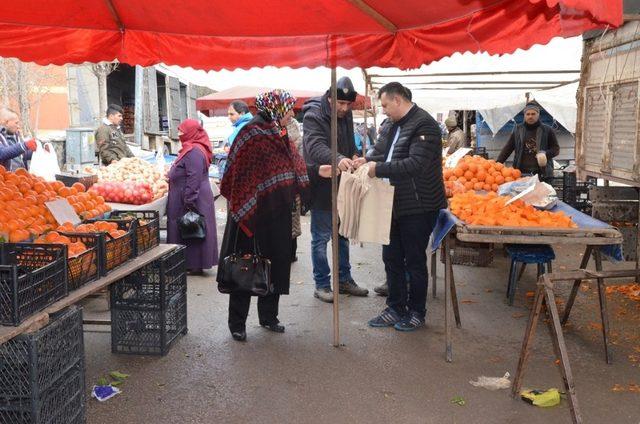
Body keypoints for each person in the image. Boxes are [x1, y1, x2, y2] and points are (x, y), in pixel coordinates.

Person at [217, 89, 310, 342]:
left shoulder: (278, 133)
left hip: (277, 211)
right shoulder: (252, 134)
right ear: (276, 108)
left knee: (276, 264)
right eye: (288, 108)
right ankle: (237, 323)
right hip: (251, 214)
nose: (291, 113)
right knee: (245, 265)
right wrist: (249, 202)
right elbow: (240, 176)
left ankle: (269, 316)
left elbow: (292, 164)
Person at [357, 82, 446, 331]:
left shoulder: (425, 124)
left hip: (419, 205)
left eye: (385, 105)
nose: (383, 110)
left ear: (398, 100)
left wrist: (377, 169)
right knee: (391, 257)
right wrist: (365, 160)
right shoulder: (392, 125)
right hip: (393, 202)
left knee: (414, 261)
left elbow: (415, 164)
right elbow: (381, 151)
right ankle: (395, 307)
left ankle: (417, 312)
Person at [302, 76, 369, 303]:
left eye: (347, 105)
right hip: (321, 184)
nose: (344, 108)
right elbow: (315, 145)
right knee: (321, 238)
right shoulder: (313, 114)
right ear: (330, 98)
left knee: (343, 234)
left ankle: (344, 279)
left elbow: (349, 141)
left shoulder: (346, 114)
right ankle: (322, 284)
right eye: (340, 104)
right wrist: (337, 158)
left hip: (343, 184)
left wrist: (353, 155)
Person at [166, 119, 218, 275]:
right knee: (191, 229)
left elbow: (193, 177)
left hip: (192, 197)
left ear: (191, 132)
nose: (179, 134)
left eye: (182, 131)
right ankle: (191, 263)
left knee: (192, 228)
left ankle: (194, 264)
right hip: (191, 195)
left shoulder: (194, 151)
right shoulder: (192, 148)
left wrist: (189, 201)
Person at [496, 102, 560, 177]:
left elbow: (556, 149)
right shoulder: (518, 130)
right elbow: (508, 148)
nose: (530, 116)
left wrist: (545, 153)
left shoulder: (547, 130)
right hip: (520, 173)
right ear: (524, 115)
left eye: (533, 114)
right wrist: (497, 164)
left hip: (542, 173)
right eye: (528, 114)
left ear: (538, 115)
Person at [0, 107, 35, 171]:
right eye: (16, 123)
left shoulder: (14, 136)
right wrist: (24, 145)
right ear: (6, 122)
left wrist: (35, 151)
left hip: (19, 178)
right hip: (4, 179)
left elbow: (20, 155)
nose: (18, 126)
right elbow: (2, 153)